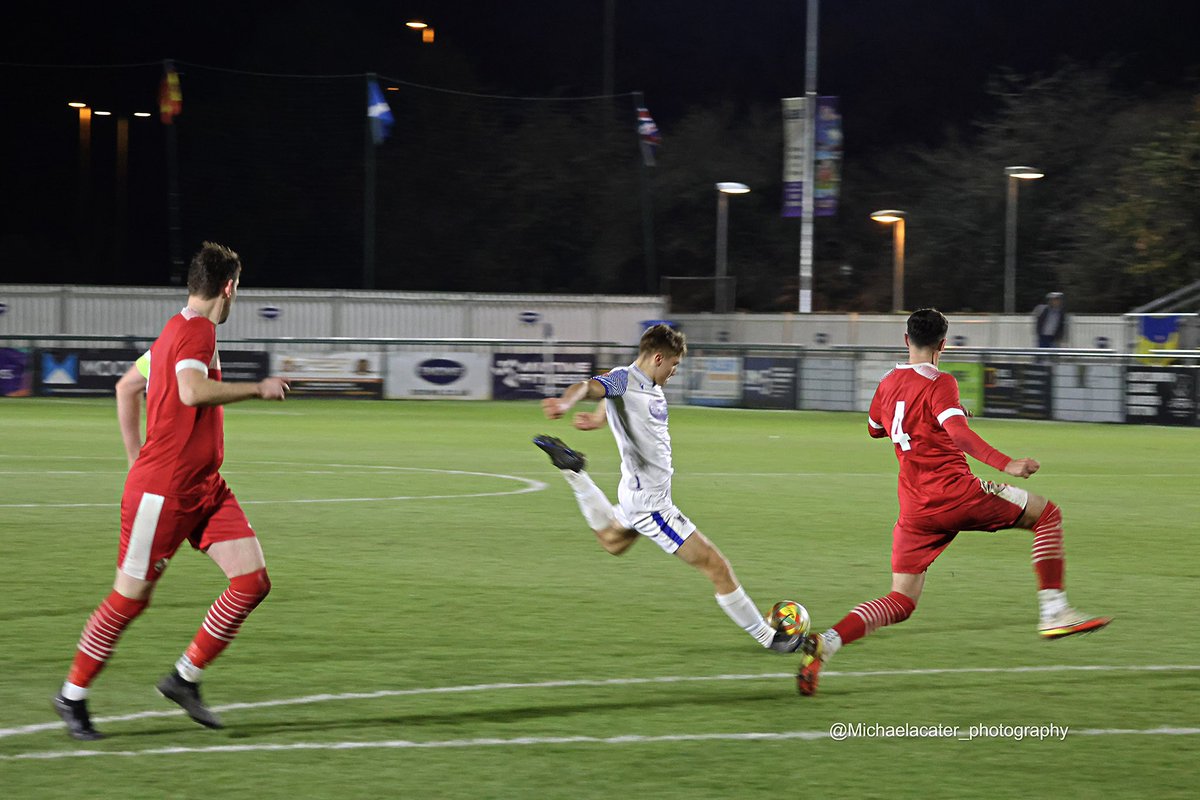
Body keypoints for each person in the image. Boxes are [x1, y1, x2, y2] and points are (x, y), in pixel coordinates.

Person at [795, 308, 1110, 696]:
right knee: (1047, 514)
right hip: (956, 494)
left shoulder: (888, 381)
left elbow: (876, 429)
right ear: (944, 344)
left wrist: (937, 418)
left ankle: (827, 643)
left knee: (901, 600)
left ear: (905, 340)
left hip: (915, 509)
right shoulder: (941, 381)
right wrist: (1006, 463)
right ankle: (1054, 611)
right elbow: (960, 437)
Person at [53, 242, 290, 740]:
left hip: (204, 488)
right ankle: (71, 695)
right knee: (129, 599)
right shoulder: (198, 332)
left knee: (252, 581)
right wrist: (257, 388)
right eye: (238, 290)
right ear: (228, 287)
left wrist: (133, 454)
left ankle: (184, 678)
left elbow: (125, 387)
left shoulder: (173, 332)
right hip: (163, 495)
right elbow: (190, 392)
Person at [534, 324, 799, 653]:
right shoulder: (624, 380)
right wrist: (564, 403)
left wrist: (599, 420)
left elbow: (609, 398)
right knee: (715, 565)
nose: (674, 371)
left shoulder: (638, 382)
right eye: (673, 364)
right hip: (652, 505)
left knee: (612, 542)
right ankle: (771, 638)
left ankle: (574, 473)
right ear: (658, 358)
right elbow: (587, 387)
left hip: (635, 494)